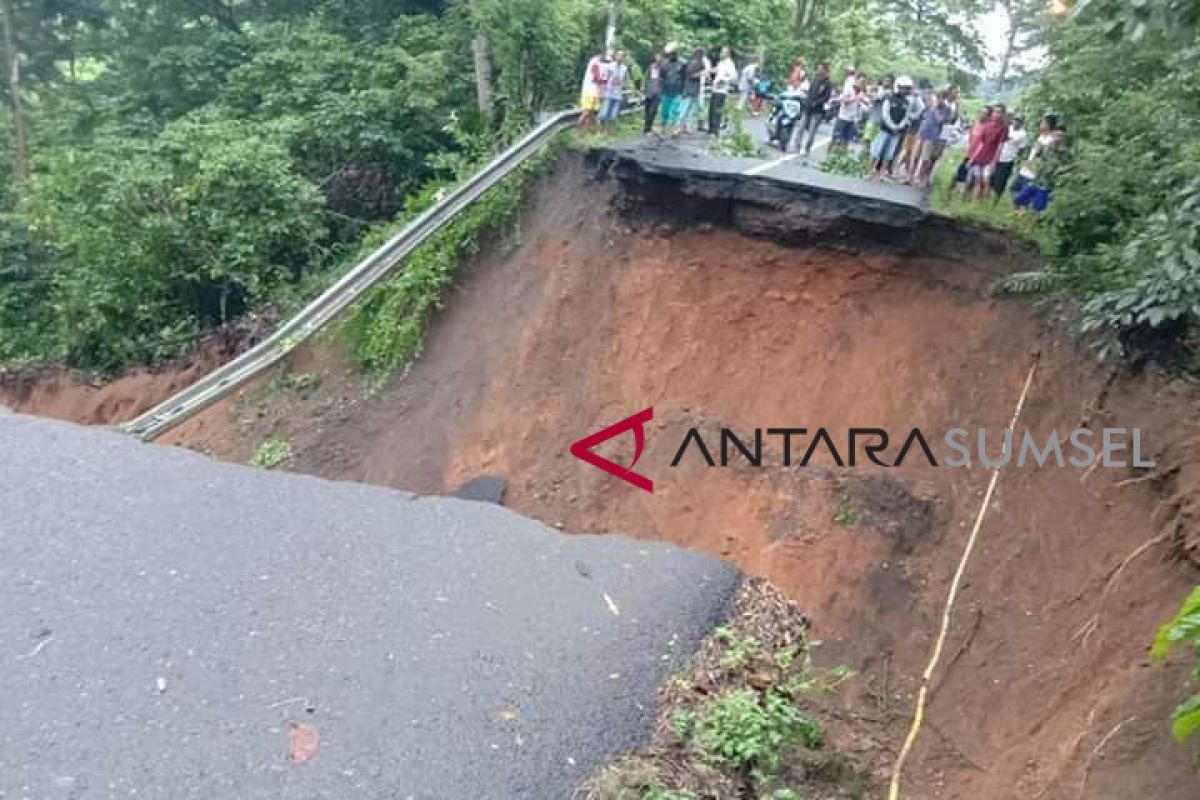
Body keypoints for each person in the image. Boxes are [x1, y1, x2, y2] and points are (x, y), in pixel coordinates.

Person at [1014, 115, 1065, 213]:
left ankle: (1027, 213)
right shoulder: (1041, 139)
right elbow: (1035, 153)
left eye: (1043, 123)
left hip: (1041, 176)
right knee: (1019, 193)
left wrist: (1059, 170)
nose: (1041, 124)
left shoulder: (1055, 146)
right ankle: (1021, 212)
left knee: (1038, 202)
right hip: (1032, 171)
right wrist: (1026, 162)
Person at [869, 75, 914, 180]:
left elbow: (906, 116)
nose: (906, 90)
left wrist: (899, 126)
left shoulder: (906, 102)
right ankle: (870, 171)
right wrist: (892, 125)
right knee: (877, 151)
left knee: (888, 154)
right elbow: (885, 114)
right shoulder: (890, 98)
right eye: (904, 87)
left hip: (896, 132)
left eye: (907, 88)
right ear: (898, 86)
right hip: (885, 129)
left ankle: (882, 174)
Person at [909, 89, 952, 187]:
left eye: (941, 98)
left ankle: (919, 177)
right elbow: (924, 117)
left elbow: (940, 120)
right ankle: (910, 176)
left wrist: (936, 108)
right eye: (938, 98)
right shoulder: (930, 105)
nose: (939, 100)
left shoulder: (946, 109)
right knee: (915, 155)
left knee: (925, 158)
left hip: (932, 135)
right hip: (922, 133)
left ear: (944, 99)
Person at [966, 104, 1008, 200]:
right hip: (981, 156)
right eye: (994, 112)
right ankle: (975, 202)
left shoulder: (1003, 128)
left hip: (991, 158)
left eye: (999, 112)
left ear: (1003, 114)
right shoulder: (987, 125)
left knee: (986, 181)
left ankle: (984, 203)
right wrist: (972, 158)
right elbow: (981, 143)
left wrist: (994, 162)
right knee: (978, 180)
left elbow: (1000, 146)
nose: (996, 114)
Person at [799, 61, 833, 155]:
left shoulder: (828, 83)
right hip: (808, 107)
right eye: (818, 68)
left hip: (818, 110)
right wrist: (807, 100)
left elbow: (827, 97)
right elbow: (810, 91)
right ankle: (797, 145)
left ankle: (807, 148)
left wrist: (817, 102)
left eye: (821, 68)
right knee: (801, 127)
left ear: (825, 71)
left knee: (812, 131)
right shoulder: (815, 79)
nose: (819, 70)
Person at [990, 114, 1026, 200]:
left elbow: (1022, 149)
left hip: (1008, 159)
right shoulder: (1007, 128)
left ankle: (996, 199)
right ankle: (987, 197)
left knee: (1001, 181)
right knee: (990, 178)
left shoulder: (1023, 134)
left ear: (1022, 123)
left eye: (1019, 121)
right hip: (998, 156)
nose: (1016, 122)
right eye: (1015, 120)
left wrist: (1017, 161)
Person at [830, 74, 866, 154]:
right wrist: (855, 98)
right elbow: (844, 101)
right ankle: (828, 155)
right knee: (835, 138)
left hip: (851, 119)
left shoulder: (861, 93)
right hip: (843, 117)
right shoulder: (849, 89)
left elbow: (861, 105)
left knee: (846, 141)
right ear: (856, 80)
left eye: (863, 82)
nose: (861, 84)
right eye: (860, 81)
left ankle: (840, 159)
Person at [708, 46, 738, 136]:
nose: (721, 54)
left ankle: (715, 130)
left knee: (717, 110)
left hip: (721, 90)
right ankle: (711, 128)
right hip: (715, 88)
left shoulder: (730, 64)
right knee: (712, 109)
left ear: (727, 54)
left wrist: (725, 80)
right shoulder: (721, 62)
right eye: (721, 52)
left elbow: (734, 76)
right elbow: (717, 70)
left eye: (723, 52)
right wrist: (708, 71)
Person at [658, 43, 687, 134]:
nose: (671, 55)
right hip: (666, 90)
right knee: (665, 110)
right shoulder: (664, 64)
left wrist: (684, 90)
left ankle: (675, 128)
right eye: (670, 54)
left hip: (678, 91)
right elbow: (661, 77)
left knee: (675, 110)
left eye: (673, 53)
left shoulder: (683, 63)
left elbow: (685, 77)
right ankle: (663, 127)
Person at [578, 51, 610, 130]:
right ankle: (578, 129)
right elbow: (597, 78)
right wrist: (606, 80)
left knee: (592, 113)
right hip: (589, 92)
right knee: (586, 112)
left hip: (595, 92)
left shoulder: (597, 63)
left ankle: (584, 132)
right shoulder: (594, 63)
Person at [680, 47, 708, 133]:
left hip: (693, 89)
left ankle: (686, 126)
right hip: (690, 89)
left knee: (690, 109)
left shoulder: (695, 62)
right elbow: (690, 75)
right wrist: (701, 74)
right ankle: (680, 126)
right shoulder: (694, 63)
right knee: (686, 109)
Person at [598, 51, 628, 131]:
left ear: (624, 58)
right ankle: (600, 130)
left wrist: (624, 87)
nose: (620, 57)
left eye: (622, 56)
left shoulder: (624, 68)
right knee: (604, 113)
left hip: (618, 94)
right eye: (618, 55)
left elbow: (625, 80)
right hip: (608, 92)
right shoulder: (610, 66)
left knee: (613, 115)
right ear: (615, 56)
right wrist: (601, 92)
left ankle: (607, 131)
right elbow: (604, 79)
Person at [641, 52, 665, 134]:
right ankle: (646, 127)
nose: (658, 59)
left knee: (653, 111)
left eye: (660, 57)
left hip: (658, 93)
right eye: (657, 57)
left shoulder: (664, 68)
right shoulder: (651, 67)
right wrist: (643, 88)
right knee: (647, 110)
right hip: (649, 92)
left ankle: (648, 128)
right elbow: (645, 78)